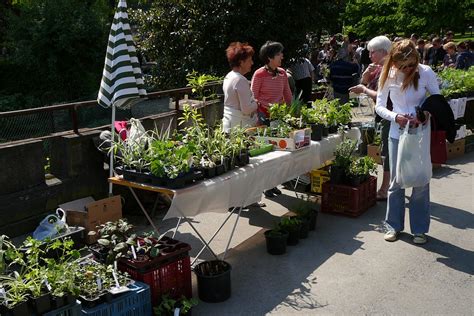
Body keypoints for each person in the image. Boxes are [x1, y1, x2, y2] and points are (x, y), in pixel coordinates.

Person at [375, 39, 440, 244]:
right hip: (397, 132)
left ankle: (419, 229)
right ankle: (393, 225)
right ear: (394, 63)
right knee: (396, 181)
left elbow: (437, 100)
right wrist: (396, 117)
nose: (408, 69)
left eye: (411, 64)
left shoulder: (426, 72)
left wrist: (426, 113)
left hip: (420, 132)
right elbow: (379, 105)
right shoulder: (389, 75)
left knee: (421, 180)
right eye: (403, 66)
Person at [348, 35, 392, 201]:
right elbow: (366, 86)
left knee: (388, 152)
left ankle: (385, 189)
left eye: (372, 52)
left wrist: (364, 89)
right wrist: (365, 78)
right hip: (383, 115)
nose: (370, 56)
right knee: (386, 151)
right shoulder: (380, 68)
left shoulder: (390, 70)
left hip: (391, 115)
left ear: (383, 52)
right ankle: (391, 186)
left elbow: (382, 97)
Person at [251, 41, 292, 198]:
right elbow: (253, 97)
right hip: (264, 117)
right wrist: (267, 107)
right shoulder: (259, 74)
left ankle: (273, 183)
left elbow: (287, 95)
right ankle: (266, 186)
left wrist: (292, 111)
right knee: (267, 153)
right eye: (278, 54)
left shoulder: (282, 73)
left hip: (279, 118)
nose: (282, 56)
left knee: (279, 152)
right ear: (269, 57)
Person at [222, 42, 258, 132]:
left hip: (229, 124)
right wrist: (256, 103)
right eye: (250, 60)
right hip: (240, 128)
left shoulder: (229, 76)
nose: (252, 63)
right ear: (241, 63)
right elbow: (246, 109)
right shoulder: (240, 80)